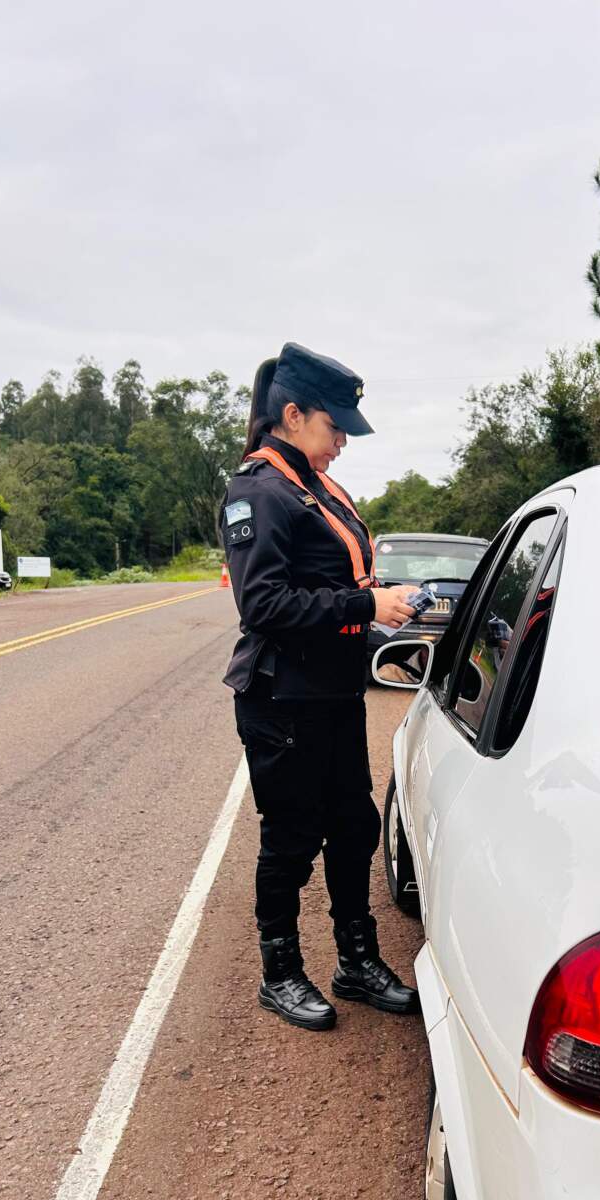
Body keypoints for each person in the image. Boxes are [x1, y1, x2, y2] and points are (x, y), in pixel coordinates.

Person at [222, 341, 422, 1032]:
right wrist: (367, 608)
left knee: (354, 825)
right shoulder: (259, 490)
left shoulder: (315, 486)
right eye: (334, 427)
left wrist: (392, 618)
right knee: (291, 837)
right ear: (293, 412)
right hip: (282, 701)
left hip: (334, 695)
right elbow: (265, 605)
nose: (341, 442)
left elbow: (342, 588)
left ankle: (355, 962)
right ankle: (280, 973)